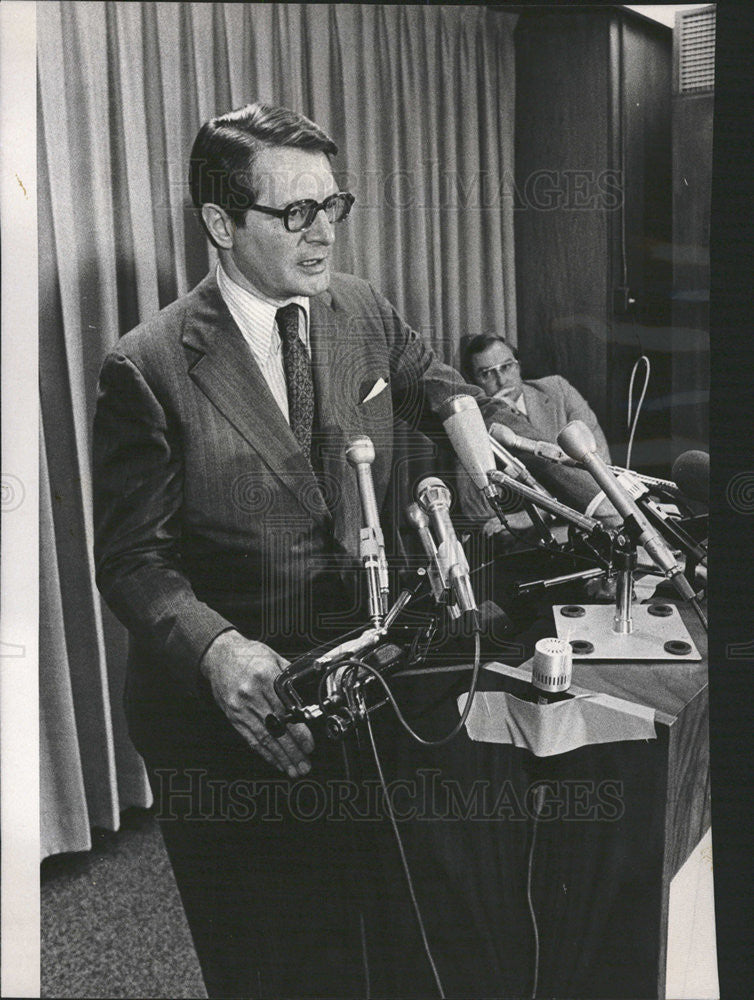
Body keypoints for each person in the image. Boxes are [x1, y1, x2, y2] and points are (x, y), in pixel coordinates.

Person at [92, 102, 507, 999]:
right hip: (234, 721)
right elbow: (132, 558)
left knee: (380, 935)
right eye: (296, 214)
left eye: (333, 205)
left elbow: (422, 372)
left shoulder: (355, 304)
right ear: (220, 224)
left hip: (360, 685)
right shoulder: (148, 365)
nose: (324, 234)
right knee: (274, 963)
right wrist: (217, 650)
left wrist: (467, 424)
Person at [457, 334, 614, 533]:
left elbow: (600, 467)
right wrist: (498, 415)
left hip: (594, 521)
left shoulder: (558, 391)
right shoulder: (476, 422)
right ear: (474, 382)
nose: (501, 380)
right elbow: (476, 510)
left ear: (519, 365)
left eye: (507, 366)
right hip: (530, 540)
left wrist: (545, 510)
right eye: (487, 373)